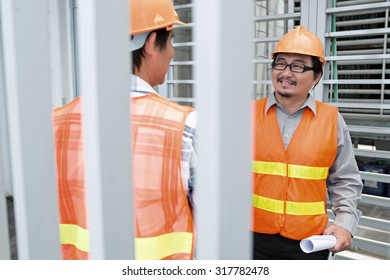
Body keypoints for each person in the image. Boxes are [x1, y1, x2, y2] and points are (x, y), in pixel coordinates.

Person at [52, 0, 197, 260]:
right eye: (171, 39)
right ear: (152, 43)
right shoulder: (184, 126)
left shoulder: (55, 123)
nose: (172, 52)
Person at [251, 25, 363, 260]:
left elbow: (345, 180)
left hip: (307, 246)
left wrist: (344, 225)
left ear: (317, 76)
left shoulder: (332, 120)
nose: (286, 73)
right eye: (280, 63)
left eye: (298, 66)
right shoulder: (247, 115)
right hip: (249, 238)